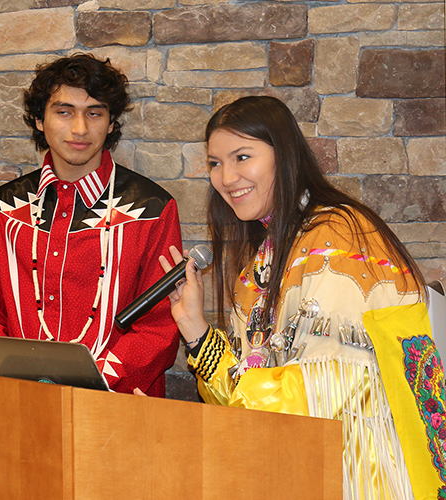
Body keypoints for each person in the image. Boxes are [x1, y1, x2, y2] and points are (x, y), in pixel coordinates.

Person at [162, 95, 445, 499]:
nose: (226, 178)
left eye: (242, 157)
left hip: (362, 474)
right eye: (214, 163)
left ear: (285, 155)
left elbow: (315, 398)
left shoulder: (337, 239)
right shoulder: (265, 257)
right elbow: (249, 386)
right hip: (302, 468)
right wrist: (194, 327)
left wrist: (192, 430)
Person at [0, 53, 182, 396]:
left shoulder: (152, 210)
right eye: (64, 112)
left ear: (110, 123)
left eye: (94, 113)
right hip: (19, 407)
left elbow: (160, 327)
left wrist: (94, 381)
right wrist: (21, 382)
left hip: (118, 412)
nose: (80, 128)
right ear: (39, 120)